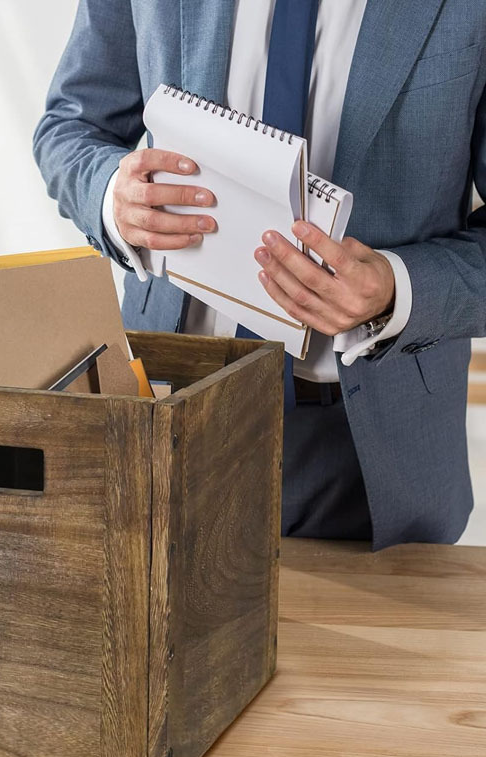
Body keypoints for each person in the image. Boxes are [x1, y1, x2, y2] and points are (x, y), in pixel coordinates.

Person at [33, 0, 486, 549]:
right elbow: (70, 126)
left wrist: (399, 288)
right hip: (160, 416)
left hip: (371, 460)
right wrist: (112, 196)